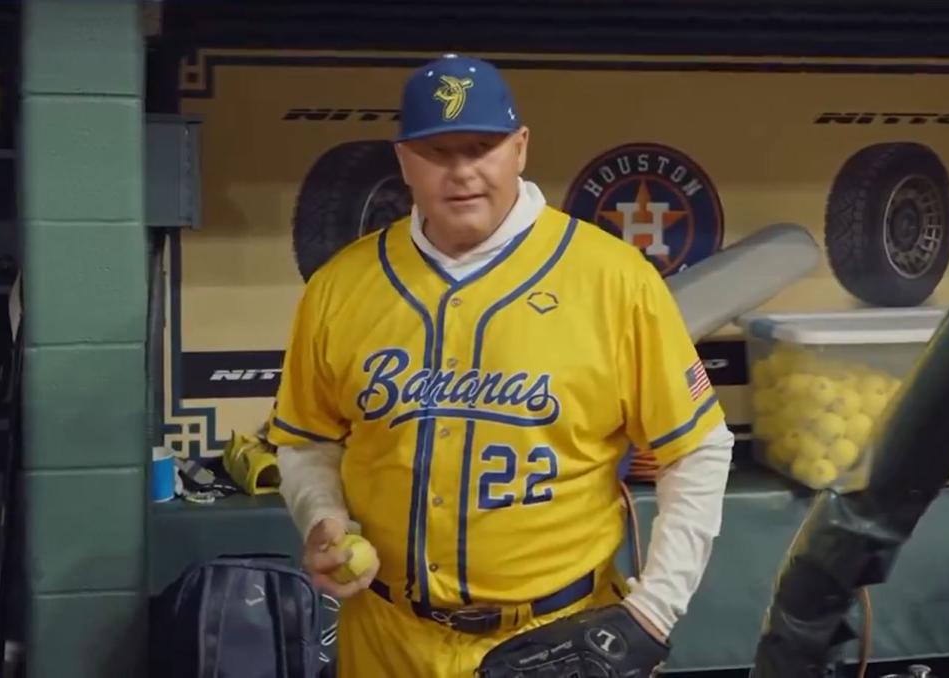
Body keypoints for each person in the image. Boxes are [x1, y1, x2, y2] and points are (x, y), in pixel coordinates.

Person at [268, 53, 734, 677]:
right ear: (404, 159)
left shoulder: (615, 280)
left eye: (481, 147)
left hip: (560, 637)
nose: (461, 172)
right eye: (437, 152)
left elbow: (697, 449)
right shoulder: (338, 286)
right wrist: (322, 518)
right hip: (384, 637)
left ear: (520, 148)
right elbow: (306, 441)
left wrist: (653, 611)